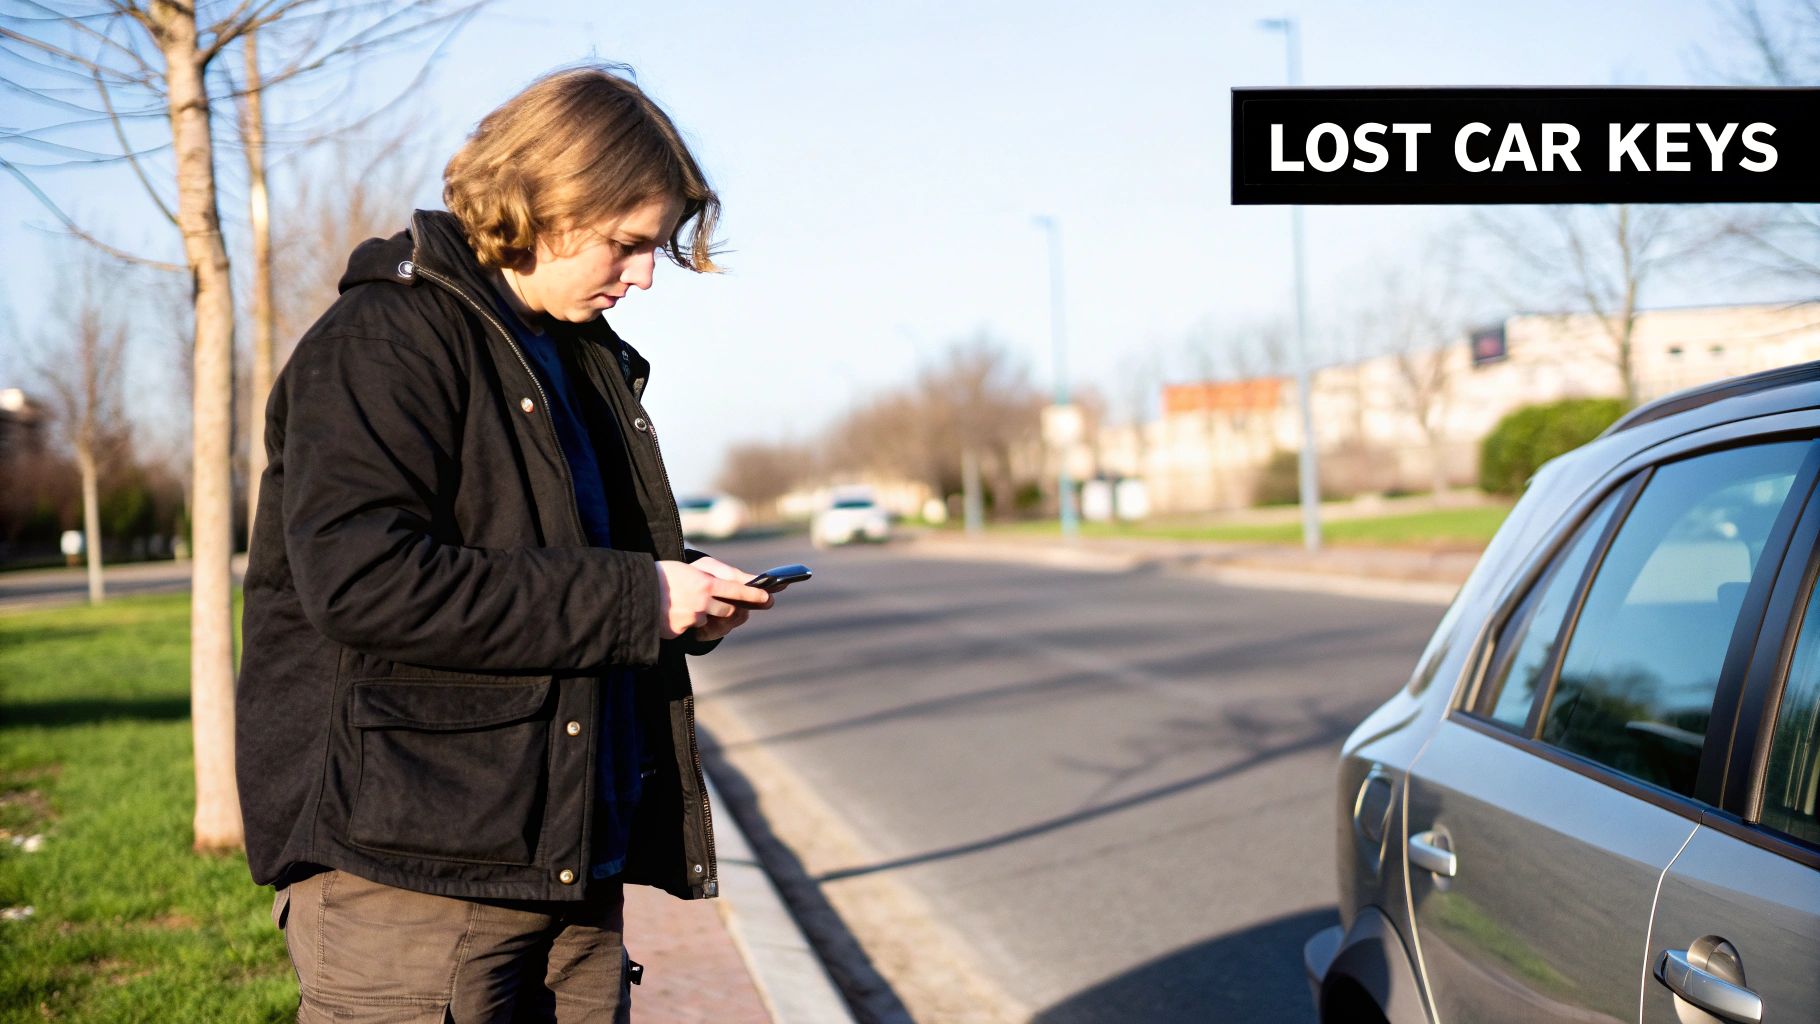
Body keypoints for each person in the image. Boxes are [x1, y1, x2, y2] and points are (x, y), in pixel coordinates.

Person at [237, 64, 777, 1023]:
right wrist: (636, 600)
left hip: (561, 857)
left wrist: (679, 598)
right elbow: (363, 582)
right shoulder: (386, 340)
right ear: (544, 203)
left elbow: (549, 562)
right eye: (627, 242)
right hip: (411, 876)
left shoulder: (564, 355)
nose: (646, 273)